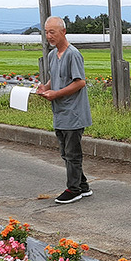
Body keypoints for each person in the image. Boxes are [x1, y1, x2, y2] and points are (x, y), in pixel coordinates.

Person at [35, 16, 92, 204]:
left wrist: (57, 93)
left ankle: (73, 189)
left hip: (73, 112)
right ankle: (82, 185)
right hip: (60, 111)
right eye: (46, 32)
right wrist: (45, 87)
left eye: (52, 32)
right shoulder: (52, 55)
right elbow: (56, 78)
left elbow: (80, 82)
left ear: (63, 32)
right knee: (64, 151)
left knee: (72, 152)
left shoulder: (73, 54)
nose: (49, 36)